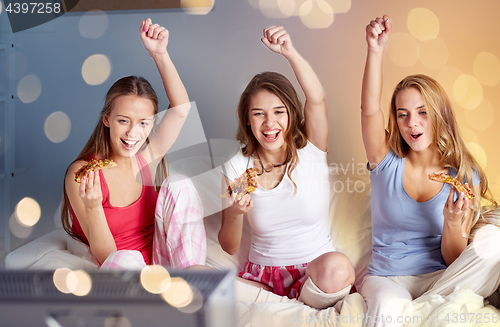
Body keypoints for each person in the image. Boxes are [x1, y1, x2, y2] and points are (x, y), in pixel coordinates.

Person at [359, 15, 500, 326]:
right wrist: (375, 50)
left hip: (441, 277)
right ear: (395, 120)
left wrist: (452, 221)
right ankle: (430, 309)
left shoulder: (464, 176)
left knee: (495, 247)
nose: (412, 123)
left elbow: (454, 259)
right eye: (403, 114)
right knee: (388, 307)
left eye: (423, 112)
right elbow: (369, 110)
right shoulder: (385, 161)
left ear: (439, 116)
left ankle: (429, 304)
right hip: (389, 278)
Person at [218, 26, 355, 309]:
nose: (270, 124)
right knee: (195, 280)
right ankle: (286, 308)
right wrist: (234, 213)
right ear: (247, 120)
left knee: (339, 267)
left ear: (292, 114)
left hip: (315, 275)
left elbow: (316, 98)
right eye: (259, 114)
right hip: (262, 279)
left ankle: (293, 305)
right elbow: (229, 246)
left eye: (279, 112)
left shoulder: (311, 151)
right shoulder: (237, 168)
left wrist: (289, 52)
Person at [61, 18, 206, 269]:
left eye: (143, 123)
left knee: (179, 182)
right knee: (125, 259)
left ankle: (192, 276)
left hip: (162, 263)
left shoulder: (147, 158)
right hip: (123, 268)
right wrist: (94, 206)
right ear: (107, 119)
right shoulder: (83, 173)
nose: (133, 133)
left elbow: (181, 109)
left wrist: (159, 54)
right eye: (123, 120)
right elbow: (107, 255)